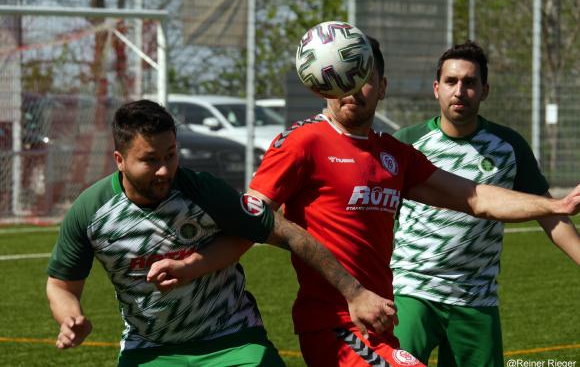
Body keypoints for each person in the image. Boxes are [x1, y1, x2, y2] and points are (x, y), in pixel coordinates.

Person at [148, 36, 580, 367]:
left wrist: (554, 206)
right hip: (334, 323)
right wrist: (192, 265)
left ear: (382, 87)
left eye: (364, 75)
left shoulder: (393, 154)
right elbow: (253, 217)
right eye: (343, 74)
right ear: (323, 82)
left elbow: (476, 198)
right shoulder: (302, 143)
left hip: (379, 320)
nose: (353, 86)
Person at [45, 99, 398, 366]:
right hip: (149, 347)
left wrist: (354, 292)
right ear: (119, 160)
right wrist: (70, 317)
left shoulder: (204, 192)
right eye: (150, 160)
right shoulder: (91, 213)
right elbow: (61, 285)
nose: (165, 169)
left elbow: (288, 233)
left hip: (232, 338)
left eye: (171, 155)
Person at [391, 40, 580, 366]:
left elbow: (549, 214)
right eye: (451, 82)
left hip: (475, 298)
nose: (459, 91)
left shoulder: (509, 146)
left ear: (485, 90)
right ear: (437, 89)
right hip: (413, 291)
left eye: (470, 82)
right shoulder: (407, 145)